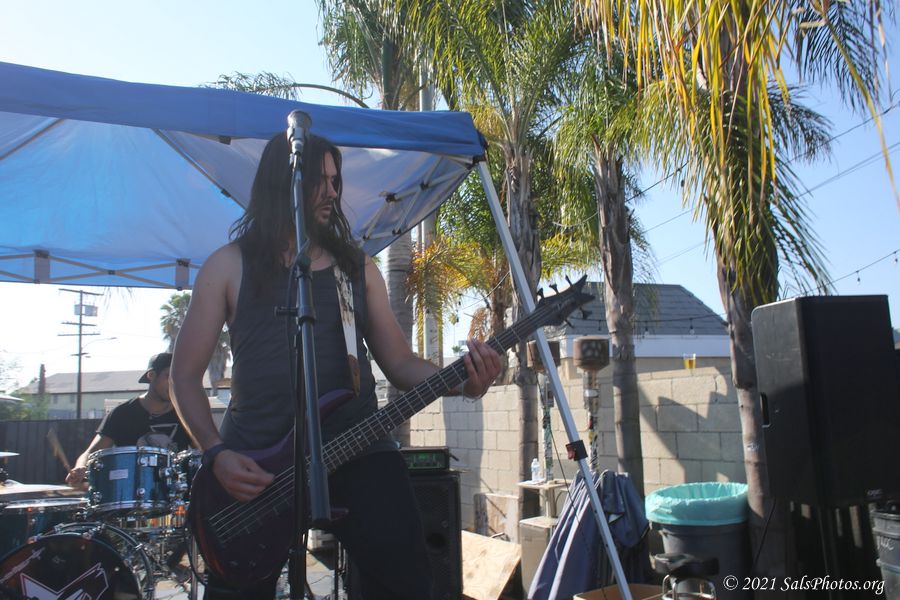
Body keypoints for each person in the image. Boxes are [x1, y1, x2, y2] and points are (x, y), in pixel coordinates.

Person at [170, 132, 501, 600]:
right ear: (282, 183)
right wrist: (215, 452)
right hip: (256, 460)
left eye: (334, 180)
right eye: (318, 181)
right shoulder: (227, 267)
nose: (331, 192)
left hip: (356, 446)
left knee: (406, 583)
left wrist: (465, 382)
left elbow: (400, 363)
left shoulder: (356, 268)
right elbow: (184, 377)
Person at [65, 352, 192, 488]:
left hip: (176, 494)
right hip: (130, 492)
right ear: (151, 375)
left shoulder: (187, 414)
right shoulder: (122, 413)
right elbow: (91, 453)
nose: (175, 383)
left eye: (179, 378)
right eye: (169, 376)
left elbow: (202, 452)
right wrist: (80, 468)